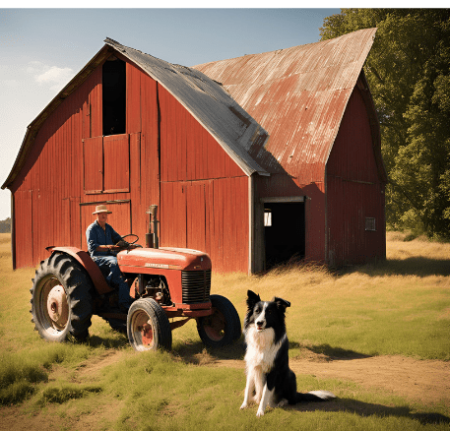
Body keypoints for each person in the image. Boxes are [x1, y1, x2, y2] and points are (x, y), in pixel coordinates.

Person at [86, 205, 135, 311]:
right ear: (97, 215)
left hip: (110, 254)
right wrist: (109, 247)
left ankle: (128, 287)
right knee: (115, 262)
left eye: (105, 214)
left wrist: (128, 245)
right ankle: (110, 285)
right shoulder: (91, 229)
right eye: (101, 214)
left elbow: (117, 238)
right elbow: (92, 247)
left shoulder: (108, 228)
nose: (103, 216)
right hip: (97, 257)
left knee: (126, 260)